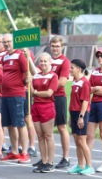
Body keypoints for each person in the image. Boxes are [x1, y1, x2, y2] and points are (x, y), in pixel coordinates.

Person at [35, 36, 71, 168]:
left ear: (62, 47)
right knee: (44, 132)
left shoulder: (65, 61)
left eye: (57, 46)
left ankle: (65, 158)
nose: (55, 48)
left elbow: (61, 82)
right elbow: (36, 73)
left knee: (61, 127)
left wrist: (48, 85)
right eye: (53, 46)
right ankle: (44, 159)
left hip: (58, 97)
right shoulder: (46, 60)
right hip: (44, 99)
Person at [0, 34, 30, 163]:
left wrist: (26, 81)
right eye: (4, 42)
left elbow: (27, 72)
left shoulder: (20, 55)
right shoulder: (5, 57)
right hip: (5, 96)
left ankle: (25, 153)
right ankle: (14, 152)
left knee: (20, 124)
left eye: (8, 41)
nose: (6, 44)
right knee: (10, 125)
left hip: (17, 95)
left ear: (14, 42)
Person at [31, 53, 58, 173]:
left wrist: (36, 92)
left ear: (50, 62)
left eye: (45, 61)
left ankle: (50, 163)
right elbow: (31, 93)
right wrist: (29, 81)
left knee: (48, 135)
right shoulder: (36, 76)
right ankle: (43, 161)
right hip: (35, 106)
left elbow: (49, 93)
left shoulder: (53, 76)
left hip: (47, 107)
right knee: (40, 136)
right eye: (41, 61)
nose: (42, 63)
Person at [67, 59, 94, 175]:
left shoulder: (84, 82)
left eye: (72, 68)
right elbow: (74, 100)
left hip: (80, 114)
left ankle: (89, 166)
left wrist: (81, 117)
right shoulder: (74, 81)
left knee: (82, 142)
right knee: (77, 142)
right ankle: (80, 165)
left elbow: (85, 102)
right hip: (73, 114)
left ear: (79, 69)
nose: (70, 70)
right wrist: (70, 117)